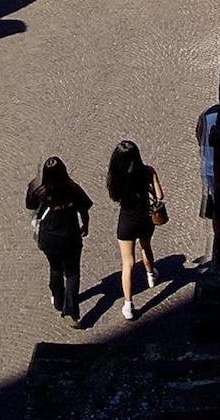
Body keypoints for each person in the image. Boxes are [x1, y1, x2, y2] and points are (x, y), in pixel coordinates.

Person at [104, 139, 168, 321]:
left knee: (128, 263)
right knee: (146, 247)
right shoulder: (148, 171)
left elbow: (114, 197)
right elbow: (160, 195)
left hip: (127, 221)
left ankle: (128, 304)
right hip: (145, 219)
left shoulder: (117, 177)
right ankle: (150, 275)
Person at [30, 158, 95, 327]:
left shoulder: (41, 191)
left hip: (49, 239)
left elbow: (30, 204)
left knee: (55, 267)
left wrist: (33, 184)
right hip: (70, 238)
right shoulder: (72, 189)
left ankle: (58, 298)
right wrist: (85, 224)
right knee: (72, 273)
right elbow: (84, 208)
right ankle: (70, 312)